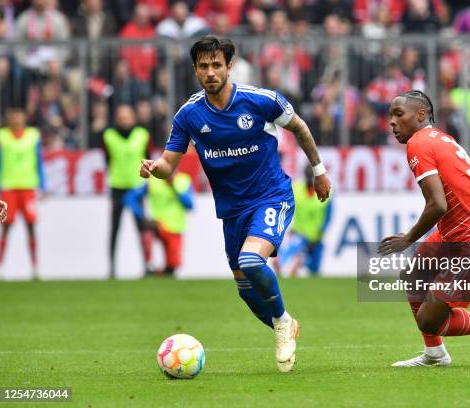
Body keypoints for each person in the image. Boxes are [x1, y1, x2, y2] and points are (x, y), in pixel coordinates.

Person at [139, 36, 331, 372]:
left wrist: (318, 171)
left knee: (252, 261)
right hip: (232, 211)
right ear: (196, 70)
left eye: (217, 65)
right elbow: (170, 163)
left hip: (272, 196)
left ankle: (284, 321)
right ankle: (283, 323)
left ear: (230, 66)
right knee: (245, 290)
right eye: (203, 66)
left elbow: (299, 127)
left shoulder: (261, 101)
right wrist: (156, 168)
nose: (210, 72)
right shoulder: (189, 115)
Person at [378, 90, 470, 367]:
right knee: (412, 275)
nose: (392, 122)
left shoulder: (418, 143)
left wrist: (408, 238)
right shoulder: (441, 137)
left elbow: (437, 205)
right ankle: (434, 354)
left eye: (398, 114)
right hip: (458, 231)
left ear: (421, 115)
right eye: (390, 116)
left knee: (431, 321)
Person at [103, 104, 153, 278]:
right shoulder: (108, 136)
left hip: (136, 188)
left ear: (133, 118)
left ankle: (147, 265)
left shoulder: (142, 135)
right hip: (117, 187)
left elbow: (148, 159)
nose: (124, 120)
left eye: (127, 117)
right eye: (121, 117)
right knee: (115, 228)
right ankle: (112, 268)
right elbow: (107, 159)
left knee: (142, 228)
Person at [0, 107, 46, 278]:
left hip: (28, 187)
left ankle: (35, 268)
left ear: (25, 117)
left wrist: (42, 185)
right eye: (13, 116)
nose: (16, 119)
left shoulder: (33, 136)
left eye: (19, 116)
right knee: (4, 226)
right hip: (6, 189)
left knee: (31, 226)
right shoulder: (1, 137)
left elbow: (39, 161)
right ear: (9, 118)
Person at [132, 171, 194, 276]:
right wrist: (141, 215)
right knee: (147, 233)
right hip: (157, 223)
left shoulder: (183, 181)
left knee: (172, 266)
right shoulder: (152, 181)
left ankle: (164, 271)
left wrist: (173, 186)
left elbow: (190, 205)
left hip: (174, 227)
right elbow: (131, 198)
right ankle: (149, 266)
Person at [277, 165, 332, 277]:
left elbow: (327, 219)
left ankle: (294, 264)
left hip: (316, 240)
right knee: (290, 263)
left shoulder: (326, 191)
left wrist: (318, 236)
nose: (309, 178)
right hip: (300, 235)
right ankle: (287, 264)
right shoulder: (296, 189)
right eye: (308, 175)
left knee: (314, 271)